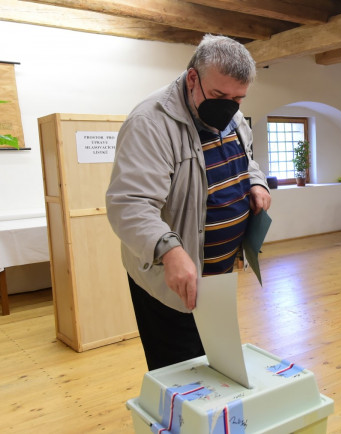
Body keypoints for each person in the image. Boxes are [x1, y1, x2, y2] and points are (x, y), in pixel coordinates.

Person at [106, 35, 271, 370]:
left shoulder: (234, 118)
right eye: (220, 96)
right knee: (181, 372)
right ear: (193, 78)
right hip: (172, 276)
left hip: (218, 274)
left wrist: (255, 183)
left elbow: (247, 160)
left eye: (238, 98)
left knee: (215, 360)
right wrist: (169, 250)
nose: (229, 106)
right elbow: (129, 204)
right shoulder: (150, 123)